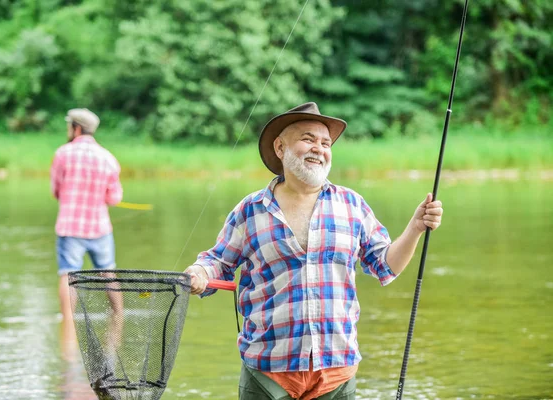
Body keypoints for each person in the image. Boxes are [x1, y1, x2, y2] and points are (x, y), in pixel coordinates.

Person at [184, 102, 443, 400]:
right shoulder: (250, 210)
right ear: (280, 147)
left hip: (336, 370)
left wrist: (415, 227)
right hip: (268, 369)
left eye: (325, 143)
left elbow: (386, 265)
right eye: (308, 139)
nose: (319, 149)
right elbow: (217, 261)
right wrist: (199, 272)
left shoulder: (352, 205)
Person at [50, 108, 124, 349]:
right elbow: (114, 198)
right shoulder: (108, 158)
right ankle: (119, 316)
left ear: (76, 128)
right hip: (100, 228)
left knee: (67, 274)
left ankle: (67, 325)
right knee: (108, 272)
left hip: (70, 226)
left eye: (69, 125)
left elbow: (56, 191)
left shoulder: (62, 154)